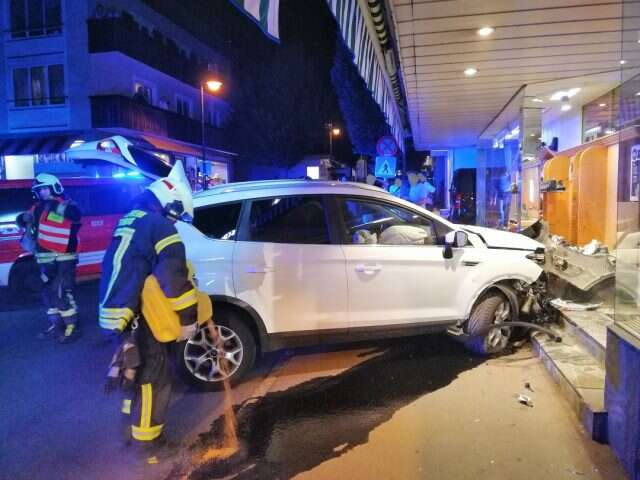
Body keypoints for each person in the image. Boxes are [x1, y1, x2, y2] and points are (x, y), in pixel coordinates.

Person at [99, 162, 198, 451]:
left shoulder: (132, 218)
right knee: (155, 378)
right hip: (139, 316)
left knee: (134, 369)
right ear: (170, 203)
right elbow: (172, 277)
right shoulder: (160, 226)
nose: (176, 222)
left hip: (117, 312)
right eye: (176, 215)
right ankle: (149, 443)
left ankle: (127, 430)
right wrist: (187, 319)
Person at [17, 174, 82, 343]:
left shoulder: (67, 204)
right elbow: (25, 221)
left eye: (45, 188)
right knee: (47, 292)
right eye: (39, 190)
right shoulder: (37, 207)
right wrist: (21, 219)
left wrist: (54, 205)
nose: (42, 193)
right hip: (44, 256)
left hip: (64, 256)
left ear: (55, 187)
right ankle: (56, 324)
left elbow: (75, 215)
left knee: (62, 290)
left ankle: (71, 325)